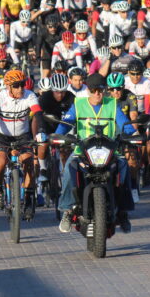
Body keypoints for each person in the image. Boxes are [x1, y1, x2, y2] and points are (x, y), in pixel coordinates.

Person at [56, 73, 136, 233]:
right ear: (88, 91)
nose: (97, 94)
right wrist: (57, 135)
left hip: (110, 151)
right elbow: (65, 124)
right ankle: (67, 211)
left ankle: (123, 212)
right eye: (93, 90)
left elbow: (124, 124)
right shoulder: (78, 104)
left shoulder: (112, 104)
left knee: (124, 166)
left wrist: (133, 135)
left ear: (104, 90)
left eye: (100, 90)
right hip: (82, 150)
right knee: (68, 170)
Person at [0, 69, 44, 210]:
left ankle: (28, 197)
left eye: (22, 84)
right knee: (1, 162)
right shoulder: (0, 98)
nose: (20, 88)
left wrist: (40, 131)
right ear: (8, 86)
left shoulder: (29, 95)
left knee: (29, 163)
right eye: (16, 85)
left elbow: (38, 114)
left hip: (23, 135)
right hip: (3, 136)